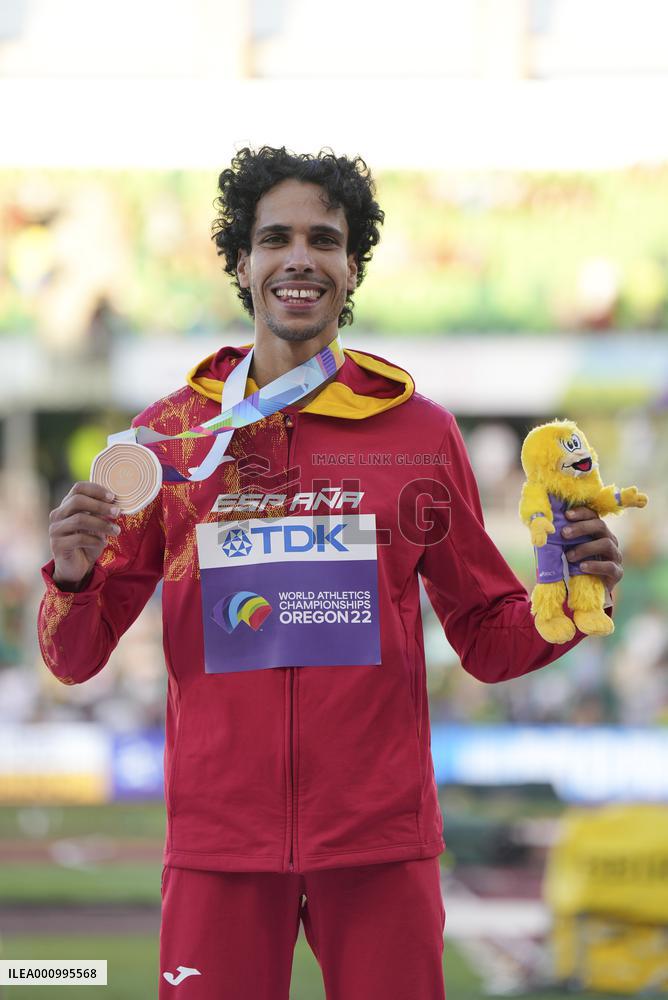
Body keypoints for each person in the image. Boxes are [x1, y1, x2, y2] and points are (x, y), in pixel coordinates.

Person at [38, 147, 623, 1000]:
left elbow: (489, 637)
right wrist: (74, 575)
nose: (299, 257)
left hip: (380, 842)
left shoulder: (420, 433)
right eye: (275, 238)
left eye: (325, 238)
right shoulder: (170, 440)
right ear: (242, 262)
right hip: (219, 845)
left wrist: (571, 599)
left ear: (353, 265)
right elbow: (73, 656)